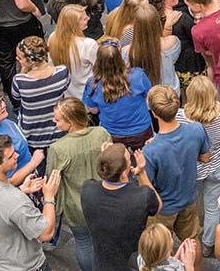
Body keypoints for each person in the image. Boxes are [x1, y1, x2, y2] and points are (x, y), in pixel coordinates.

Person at [0, 134, 61, 271]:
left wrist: (21, 189)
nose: (16, 155)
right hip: (24, 266)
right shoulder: (16, 201)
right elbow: (46, 233)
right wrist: (49, 197)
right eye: (10, 156)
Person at [144, 86, 211, 271]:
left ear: (154, 113)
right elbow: (206, 157)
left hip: (163, 208)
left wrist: (140, 170)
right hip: (189, 199)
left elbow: (147, 188)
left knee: (158, 248)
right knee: (192, 242)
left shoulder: (151, 150)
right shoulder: (196, 129)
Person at [47, 98, 112, 271]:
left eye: (58, 119)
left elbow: (51, 180)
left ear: (71, 121)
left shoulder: (58, 148)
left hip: (77, 206)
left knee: (83, 242)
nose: (54, 121)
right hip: (104, 200)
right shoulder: (102, 133)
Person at [176, 76, 220, 258]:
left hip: (191, 170)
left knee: (191, 206)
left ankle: (191, 240)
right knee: (212, 207)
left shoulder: (181, 116)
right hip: (217, 165)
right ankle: (208, 243)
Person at [81, 142, 161, 271]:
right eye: (130, 160)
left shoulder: (87, 189)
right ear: (124, 173)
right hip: (131, 263)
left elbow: (103, 181)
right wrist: (141, 173)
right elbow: (157, 206)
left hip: (101, 263)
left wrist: (107, 159)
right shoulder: (141, 196)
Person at [82, 39, 154, 149]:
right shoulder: (138, 75)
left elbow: (93, 110)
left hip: (112, 133)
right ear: (119, 58)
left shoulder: (92, 84)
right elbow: (148, 96)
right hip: (141, 130)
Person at [11, 36, 70, 156]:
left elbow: (15, 98)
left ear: (30, 61)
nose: (17, 59)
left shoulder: (20, 80)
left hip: (32, 132)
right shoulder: (63, 72)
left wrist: (23, 71)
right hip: (57, 129)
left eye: (20, 58)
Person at [147, 0, 204, 93]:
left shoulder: (152, 19)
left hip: (168, 68)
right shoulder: (181, 18)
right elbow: (197, 39)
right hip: (189, 65)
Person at [126, 2, 181, 95]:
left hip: (146, 97)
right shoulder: (173, 42)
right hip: (170, 94)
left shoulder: (127, 51)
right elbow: (174, 58)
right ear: (157, 22)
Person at [48, 4, 99, 98]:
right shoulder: (89, 44)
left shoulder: (52, 38)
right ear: (74, 25)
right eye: (84, 19)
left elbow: (51, 66)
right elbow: (99, 70)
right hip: (87, 95)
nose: (88, 18)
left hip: (66, 95)